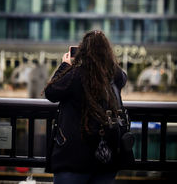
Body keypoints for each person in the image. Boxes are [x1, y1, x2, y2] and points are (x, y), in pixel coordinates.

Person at [44, 30, 128, 184]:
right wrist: (106, 60)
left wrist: (65, 65)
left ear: (82, 52)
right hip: (106, 158)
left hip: (73, 159)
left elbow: (51, 92)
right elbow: (122, 77)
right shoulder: (113, 76)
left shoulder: (76, 75)